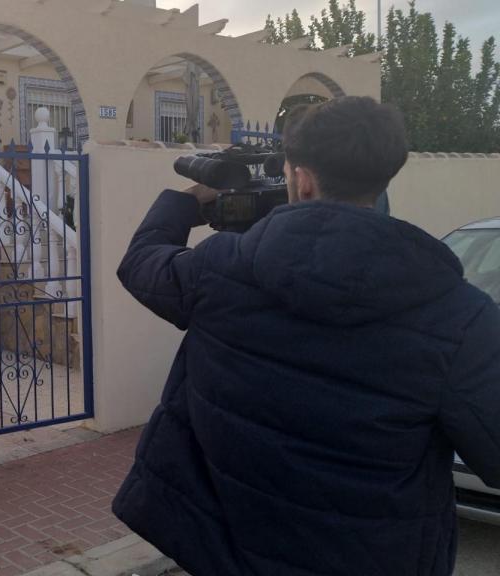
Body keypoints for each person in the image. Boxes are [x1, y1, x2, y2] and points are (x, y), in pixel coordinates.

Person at [112, 96, 500, 576]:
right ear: (385, 174)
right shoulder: (460, 318)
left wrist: (185, 202)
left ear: (301, 179)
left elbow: (142, 261)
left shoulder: (219, 272)